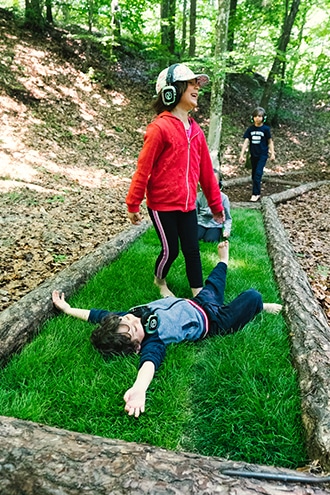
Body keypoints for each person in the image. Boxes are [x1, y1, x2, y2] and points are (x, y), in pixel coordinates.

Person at [52, 241, 282, 418]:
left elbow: (95, 315)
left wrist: (68, 308)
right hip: (212, 321)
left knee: (214, 283)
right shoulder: (154, 340)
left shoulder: (124, 318)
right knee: (252, 297)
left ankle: (224, 260)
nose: (134, 321)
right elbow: (149, 364)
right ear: (137, 346)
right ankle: (260, 307)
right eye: (133, 330)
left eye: (128, 319)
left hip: (198, 303)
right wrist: (139, 388)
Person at [125, 63, 225, 298]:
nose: (196, 88)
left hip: (188, 204)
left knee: (192, 250)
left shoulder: (197, 132)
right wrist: (133, 203)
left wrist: (216, 206)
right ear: (171, 91)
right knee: (171, 251)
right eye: (190, 83)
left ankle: (198, 293)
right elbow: (143, 169)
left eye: (197, 84)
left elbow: (206, 174)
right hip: (162, 205)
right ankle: (159, 281)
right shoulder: (159, 128)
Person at [239, 106, 275, 202]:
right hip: (253, 155)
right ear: (252, 117)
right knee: (254, 174)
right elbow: (246, 141)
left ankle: (256, 194)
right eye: (255, 116)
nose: (257, 118)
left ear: (263, 117)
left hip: (262, 155)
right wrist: (242, 155)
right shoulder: (250, 129)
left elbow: (270, 141)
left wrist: (272, 154)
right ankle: (256, 191)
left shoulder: (265, 129)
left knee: (258, 174)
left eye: (259, 116)